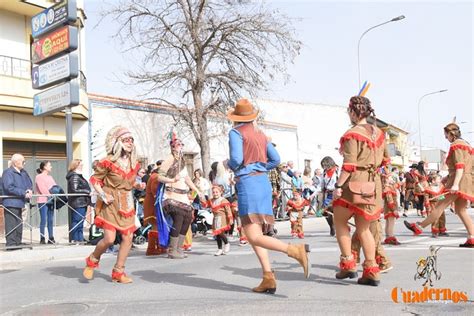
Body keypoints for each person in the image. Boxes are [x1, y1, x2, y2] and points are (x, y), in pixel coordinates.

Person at [227, 98, 310, 294]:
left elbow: (237, 159)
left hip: (248, 184)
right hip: (262, 183)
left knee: (253, 235)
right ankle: (268, 276)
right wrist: (259, 167)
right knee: (258, 234)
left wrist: (228, 164)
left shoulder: (235, 132)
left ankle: (294, 251)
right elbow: (276, 159)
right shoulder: (261, 135)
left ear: (236, 118)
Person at [332, 95, 389, 286]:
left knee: (339, 220)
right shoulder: (380, 133)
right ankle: (371, 270)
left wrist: (338, 186)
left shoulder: (352, 134)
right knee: (364, 229)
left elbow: (349, 165)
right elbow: (386, 160)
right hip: (373, 183)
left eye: (349, 111)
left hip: (354, 183)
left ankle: (348, 263)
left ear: (353, 112)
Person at [83, 126, 143, 283]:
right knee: (109, 239)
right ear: (118, 142)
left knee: (128, 237)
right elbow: (94, 180)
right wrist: (103, 194)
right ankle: (92, 260)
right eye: (126, 140)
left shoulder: (133, 163)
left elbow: (128, 182)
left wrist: (137, 185)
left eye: (131, 140)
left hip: (127, 202)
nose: (130, 143)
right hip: (110, 203)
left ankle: (118, 272)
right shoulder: (107, 162)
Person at [405, 122, 473, 247]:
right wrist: (448, 177)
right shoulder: (467, 145)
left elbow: (460, 166)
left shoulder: (456, 145)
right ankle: (472, 238)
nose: (445, 138)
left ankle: (419, 227)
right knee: (460, 210)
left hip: (458, 182)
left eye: (446, 135)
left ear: (450, 134)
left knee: (440, 206)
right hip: (465, 180)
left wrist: (455, 184)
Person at [157, 136, 205, 259]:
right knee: (178, 219)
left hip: (183, 196)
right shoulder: (169, 159)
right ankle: (172, 250)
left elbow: (187, 178)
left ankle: (179, 248)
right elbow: (160, 177)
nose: (179, 147)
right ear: (172, 147)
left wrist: (196, 190)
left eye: (181, 145)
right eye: (176, 145)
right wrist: (172, 179)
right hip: (172, 196)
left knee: (187, 219)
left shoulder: (182, 161)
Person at [2, 154, 33, 250]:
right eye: (23, 161)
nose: (24, 163)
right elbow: (9, 187)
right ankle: (11, 244)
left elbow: (29, 183)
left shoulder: (23, 172)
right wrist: (23, 192)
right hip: (11, 202)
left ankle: (18, 242)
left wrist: (29, 190)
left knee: (19, 223)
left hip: (20, 202)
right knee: (11, 223)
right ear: (16, 162)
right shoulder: (8, 172)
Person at [201, 185, 233, 255]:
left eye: (217, 192)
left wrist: (230, 218)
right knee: (217, 234)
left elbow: (228, 210)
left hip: (222, 218)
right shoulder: (211, 200)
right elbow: (205, 205)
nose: (215, 194)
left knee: (220, 232)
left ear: (220, 192)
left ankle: (227, 243)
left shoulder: (224, 200)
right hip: (215, 218)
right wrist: (202, 198)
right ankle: (220, 249)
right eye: (214, 192)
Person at [143, 161, 166, 256]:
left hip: (152, 203)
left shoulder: (154, 175)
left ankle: (158, 247)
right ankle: (152, 248)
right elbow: (155, 191)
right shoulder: (156, 177)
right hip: (153, 204)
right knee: (155, 225)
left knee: (156, 226)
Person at [66, 159, 91, 244]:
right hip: (78, 202)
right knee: (77, 220)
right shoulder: (75, 176)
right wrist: (87, 192)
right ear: (75, 166)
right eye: (80, 165)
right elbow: (75, 189)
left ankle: (80, 238)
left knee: (81, 221)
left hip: (82, 201)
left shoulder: (78, 176)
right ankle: (76, 238)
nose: (82, 166)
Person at [35, 160, 57, 244]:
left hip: (51, 200)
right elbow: (42, 188)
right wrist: (50, 194)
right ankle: (42, 237)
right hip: (43, 200)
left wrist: (55, 193)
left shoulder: (50, 177)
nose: (51, 167)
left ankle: (51, 237)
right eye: (49, 165)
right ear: (44, 167)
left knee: (50, 219)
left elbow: (55, 186)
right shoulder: (39, 177)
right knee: (43, 219)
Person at [425, 173, 448, 238]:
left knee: (442, 217)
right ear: (433, 181)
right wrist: (428, 205)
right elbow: (426, 198)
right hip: (433, 204)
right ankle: (435, 231)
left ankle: (442, 230)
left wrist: (441, 198)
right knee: (435, 218)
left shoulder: (441, 187)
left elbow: (443, 195)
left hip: (440, 204)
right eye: (438, 179)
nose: (440, 181)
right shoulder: (428, 189)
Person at [382, 167, 401, 245]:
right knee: (391, 223)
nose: (392, 179)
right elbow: (390, 200)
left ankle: (388, 237)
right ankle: (390, 237)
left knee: (388, 222)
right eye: (390, 178)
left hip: (389, 207)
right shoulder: (388, 188)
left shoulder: (388, 187)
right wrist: (394, 209)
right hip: (390, 208)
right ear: (386, 179)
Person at [321, 156, 338, 236]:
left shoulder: (337, 171)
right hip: (328, 194)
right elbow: (321, 185)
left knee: (337, 212)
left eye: (325, 165)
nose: (324, 167)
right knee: (325, 212)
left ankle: (338, 227)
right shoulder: (324, 173)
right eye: (323, 166)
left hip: (337, 193)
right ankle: (331, 226)